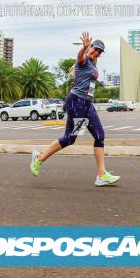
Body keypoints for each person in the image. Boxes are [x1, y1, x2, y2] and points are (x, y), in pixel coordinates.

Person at [29, 32, 120, 186]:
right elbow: (80, 56)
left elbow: (91, 72)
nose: (96, 52)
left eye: (99, 51)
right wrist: (84, 48)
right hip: (76, 102)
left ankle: (101, 175)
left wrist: (94, 56)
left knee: (99, 135)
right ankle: (39, 159)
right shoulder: (82, 61)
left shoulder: (93, 63)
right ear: (90, 47)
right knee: (70, 138)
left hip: (87, 104)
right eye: (95, 49)